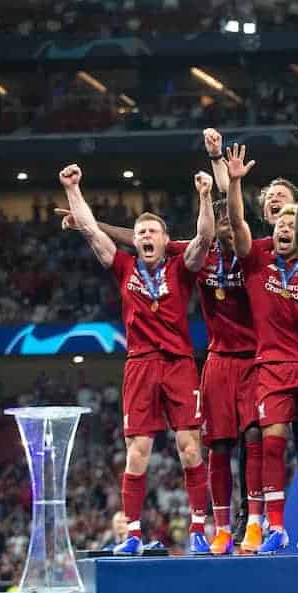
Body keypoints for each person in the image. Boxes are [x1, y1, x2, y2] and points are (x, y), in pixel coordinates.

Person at [58, 163, 215, 555]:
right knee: (137, 452)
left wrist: (206, 196)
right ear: (136, 241)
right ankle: (131, 533)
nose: (145, 237)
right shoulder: (124, 267)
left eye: (152, 232)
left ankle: (198, 527)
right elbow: (92, 231)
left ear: (165, 240)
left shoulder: (181, 268)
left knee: (190, 447)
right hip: (140, 364)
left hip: (179, 362)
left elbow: (205, 238)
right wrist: (73, 188)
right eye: (140, 233)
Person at [227, 143, 298, 554]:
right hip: (268, 365)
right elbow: (234, 222)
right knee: (266, 440)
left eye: (288, 211)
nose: (282, 218)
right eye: (271, 205)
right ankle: (268, 525)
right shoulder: (255, 256)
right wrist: (232, 181)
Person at [197, 199, 263, 555]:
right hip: (219, 360)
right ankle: (221, 528)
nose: (223, 221)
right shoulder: (198, 255)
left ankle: (254, 522)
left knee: (254, 435)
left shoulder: (255, 253)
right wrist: (93, 226)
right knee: (219, 446)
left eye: (230, 216)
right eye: (217, 216)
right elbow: (148, 239)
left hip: (253, 359)